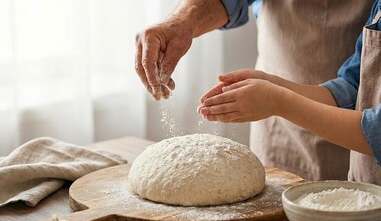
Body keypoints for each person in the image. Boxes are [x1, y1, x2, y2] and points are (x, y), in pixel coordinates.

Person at [135, 0, 374, 181]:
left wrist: (278, 99)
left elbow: (370, 118)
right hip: (278, 119)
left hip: (361, 130)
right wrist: (180, 23)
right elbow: (350, 86)